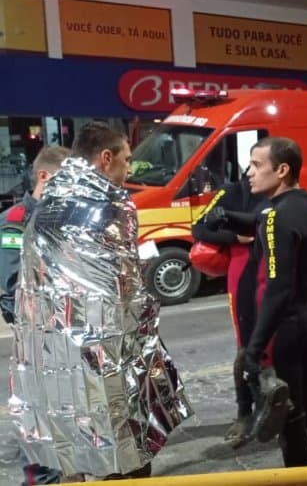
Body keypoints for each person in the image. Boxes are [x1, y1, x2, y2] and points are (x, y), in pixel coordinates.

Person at [9, 122, 191, 481]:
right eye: (127, 159)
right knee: (124, 454)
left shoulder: (48, 203)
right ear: (106, 158)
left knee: (75, 453)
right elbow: (124, 291)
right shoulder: (110, 204)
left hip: (55, 358)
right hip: (106, 356)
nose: (129, 169)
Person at [239, 136, 307, 466]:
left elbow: (278, 288)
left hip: (288, 327)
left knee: (291, 421)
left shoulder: (275, 216)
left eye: (256, 165)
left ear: (282, 170)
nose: (249, 172)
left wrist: (253, 350)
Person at [1, 146, 70, 485]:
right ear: (44, 176)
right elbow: (11, 289)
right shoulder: (16, 221)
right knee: (41, 436)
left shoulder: (60, 220)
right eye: (66, 181)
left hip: (64, 344)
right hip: (37, 346)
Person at [190, 175, 269, 449]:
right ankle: (245, 412)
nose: (253, 172)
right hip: (244, 269)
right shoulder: (233, 192)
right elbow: (199, 228)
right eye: (253, 165)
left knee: (280, 343)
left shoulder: (284, 194)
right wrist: (234, 237)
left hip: (276, 271)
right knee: (246, 346)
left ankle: (278, 408)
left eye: (259, 165)